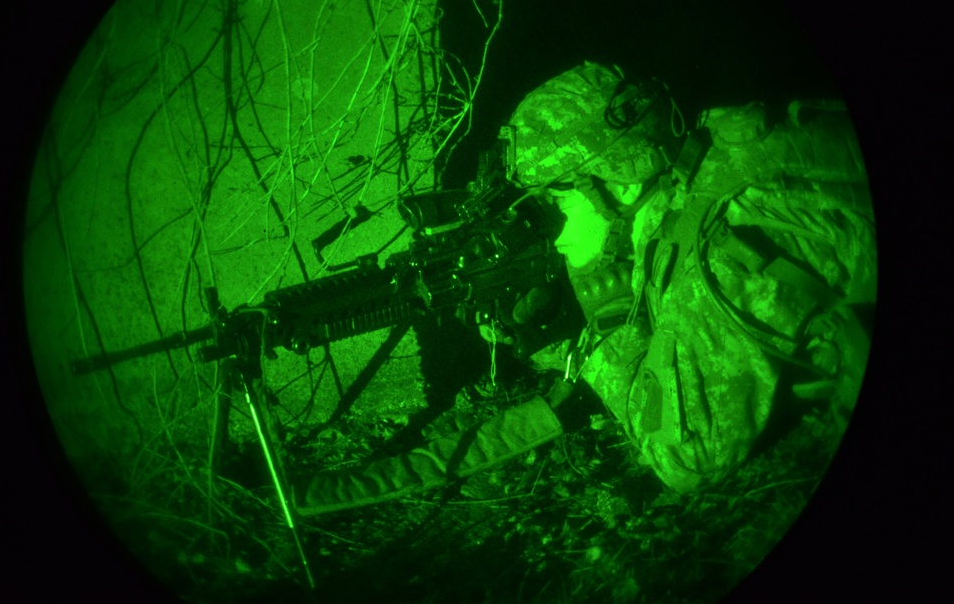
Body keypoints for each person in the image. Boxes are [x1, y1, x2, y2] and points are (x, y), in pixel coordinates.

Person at [290, 61, 875, 513]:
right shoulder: (717, 151)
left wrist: (594, 337)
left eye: (554, 200)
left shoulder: (714, 247)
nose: (547, 226)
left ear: (612, 178)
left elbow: (689, 455)